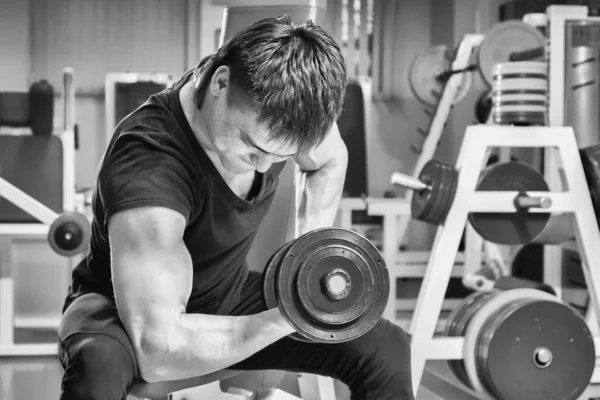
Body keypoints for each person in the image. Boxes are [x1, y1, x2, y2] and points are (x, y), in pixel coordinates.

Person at [58, 15, 414, 400]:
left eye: (283, 156)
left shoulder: (285, 113)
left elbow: (329, 160)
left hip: (224, 294)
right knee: (99, 367)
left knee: (386, 348)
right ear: (220, 83)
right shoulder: (149, 164)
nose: (265, 165)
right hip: (126, 314)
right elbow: (157, 351)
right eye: (253, 146)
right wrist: (296, 311)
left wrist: (306, 258)